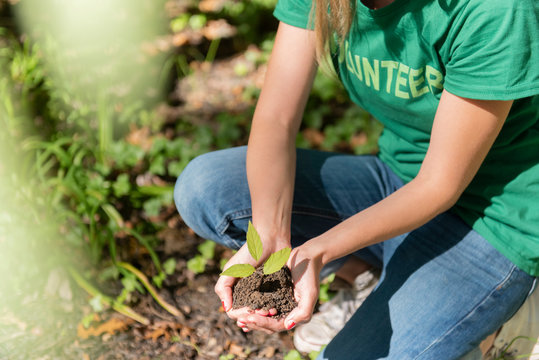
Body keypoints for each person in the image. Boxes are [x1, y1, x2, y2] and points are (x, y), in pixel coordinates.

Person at [174, 0, 539, 358]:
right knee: (208, 186)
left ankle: (501, 315)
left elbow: (440, 185)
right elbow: (276, 119)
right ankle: (368, 276)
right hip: (398, 180)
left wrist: (318, 250)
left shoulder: (495, 8)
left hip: (496, 221)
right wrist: (271, 235)